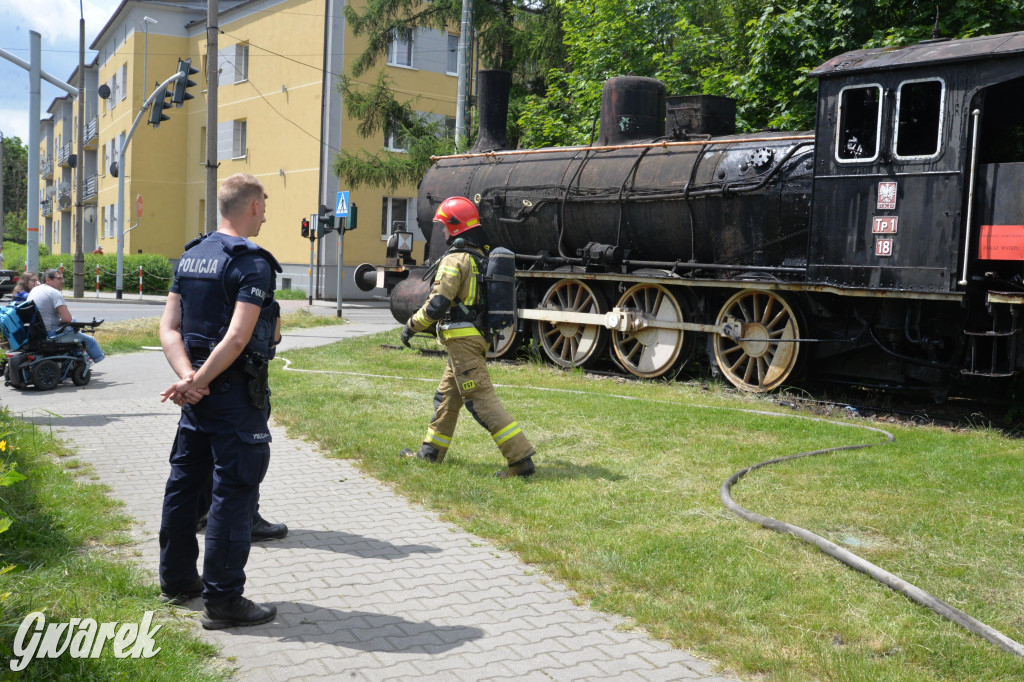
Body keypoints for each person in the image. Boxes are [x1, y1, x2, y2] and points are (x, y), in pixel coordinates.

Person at [157, 173, 282, 629]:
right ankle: (224, 601)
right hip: (231, 399)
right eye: (264, 206)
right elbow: (236, 338)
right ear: (250, 206)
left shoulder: (191, 256)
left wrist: (187, 380)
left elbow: (168, 328)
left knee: (185, 485)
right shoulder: (252, 263)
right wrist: (201, 380)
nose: (266, 214)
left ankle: (176, 581)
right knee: (233, 494)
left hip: (196, 397)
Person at [399, 196, 536, 478]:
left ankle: (520, 460)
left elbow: (437, 305)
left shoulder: (454, 260)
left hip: (462, 341)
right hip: (471, 339)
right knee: (447, 398)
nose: (443, 232)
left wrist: (412, 325)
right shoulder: (478, 258)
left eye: (444, 226)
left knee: (480, 399)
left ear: (454, 226)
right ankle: (430, 453)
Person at [26, 269, 105, 363]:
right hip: (50, 334)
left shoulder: (35, 289)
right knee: (90, 341)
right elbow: (67, 319)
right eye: (59, 279)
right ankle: (92, 361)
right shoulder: (54, 293)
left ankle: (77, 356)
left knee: (73, 324)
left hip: (36, 332)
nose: (63, 281)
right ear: (48, 280)